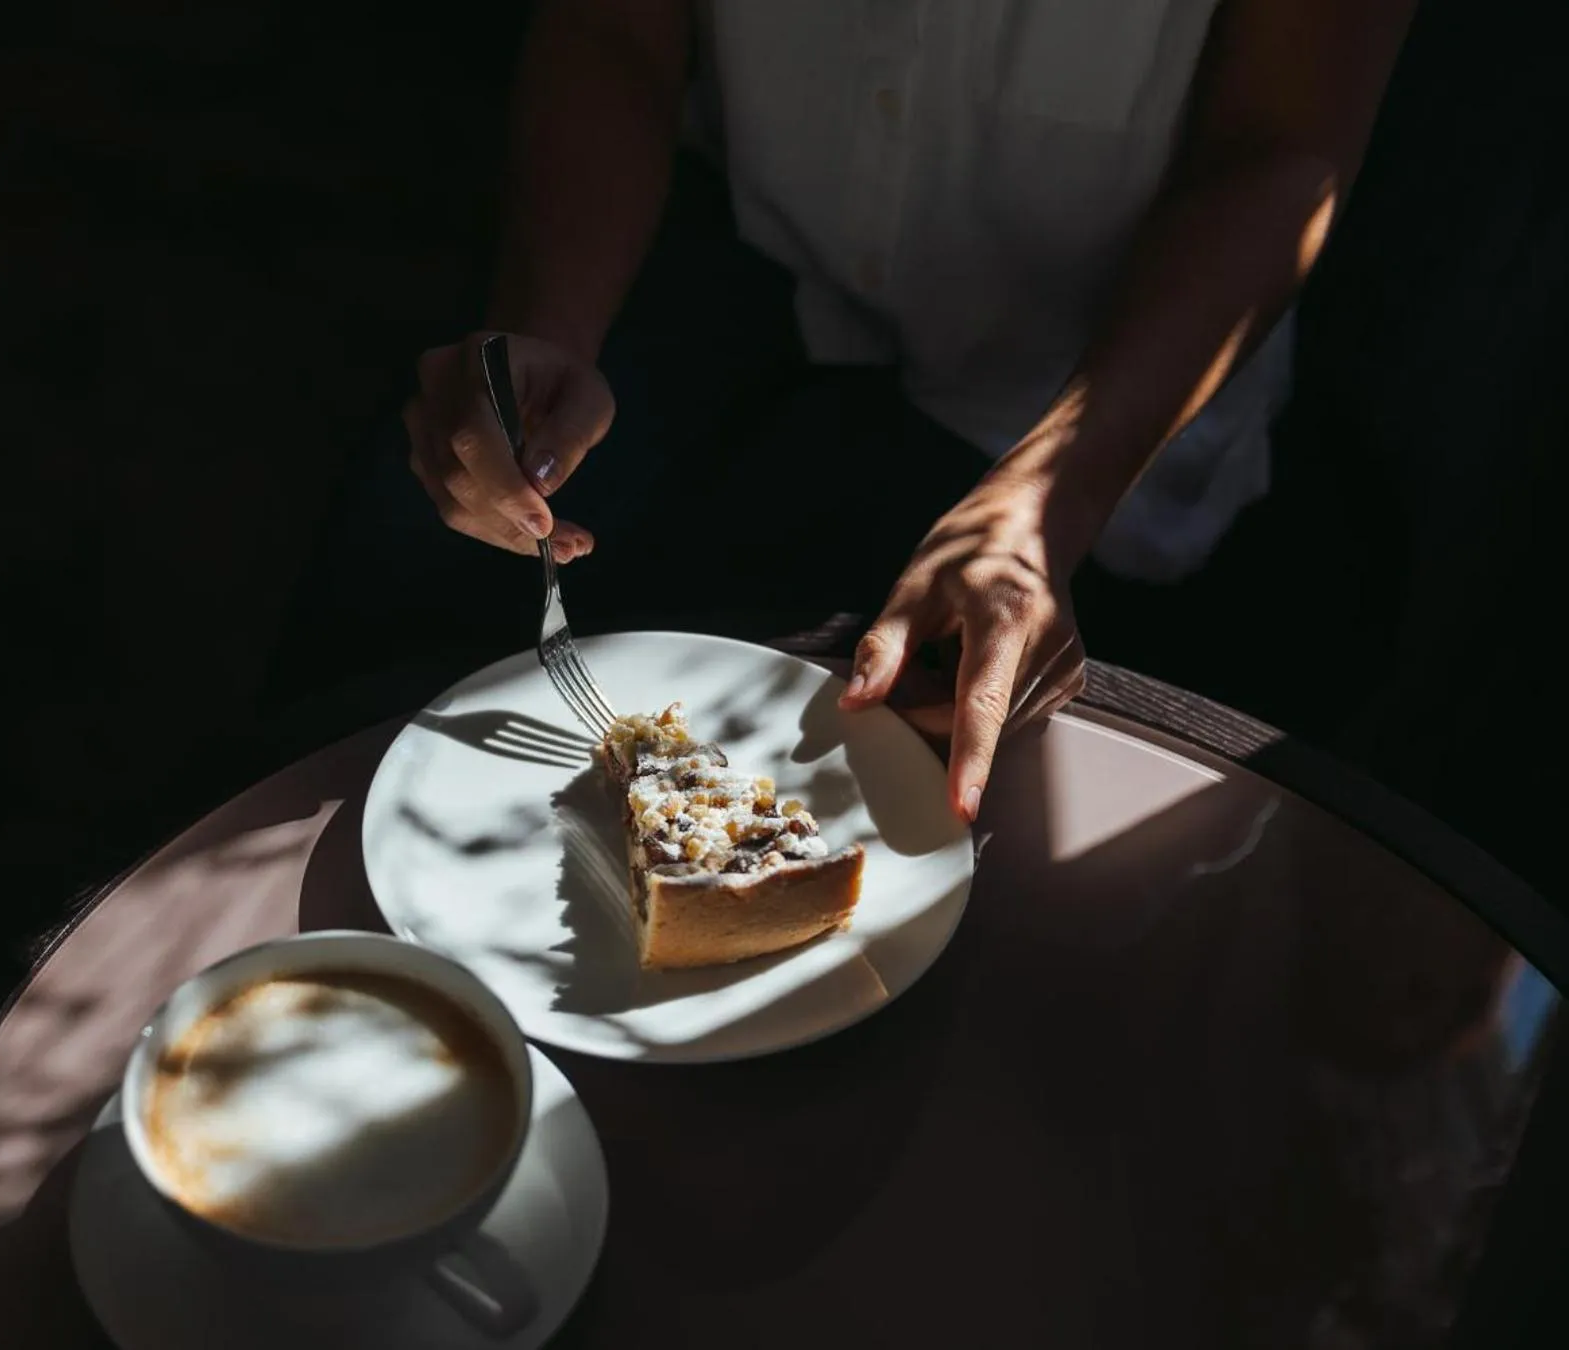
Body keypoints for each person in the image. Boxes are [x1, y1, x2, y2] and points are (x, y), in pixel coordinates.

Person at [286, 0, 1414, 822]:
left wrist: (1043, 502)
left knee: (910, 769)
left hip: (1090, 380)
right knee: (401, 587)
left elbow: (1282, 150)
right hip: (758, 261)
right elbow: (613, 30)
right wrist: (549, 327)